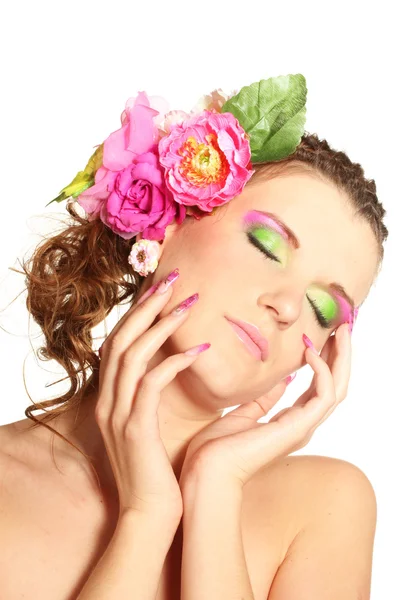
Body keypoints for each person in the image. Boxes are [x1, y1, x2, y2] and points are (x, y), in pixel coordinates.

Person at [0, 75, 387, 599]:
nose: (289, 306)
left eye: (323, 308)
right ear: (168, 225)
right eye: (267, 245)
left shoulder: (324, 506)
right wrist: (147, 517)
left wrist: (215, 489)